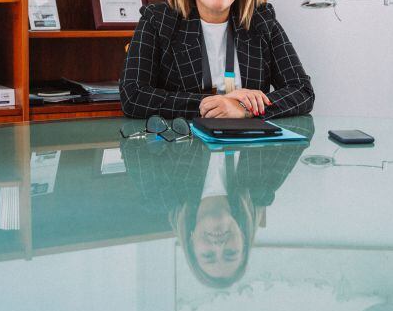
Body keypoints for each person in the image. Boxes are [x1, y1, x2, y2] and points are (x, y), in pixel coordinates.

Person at [119, 0, 314, 119]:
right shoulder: (159, 20)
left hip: (248, 144)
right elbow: (133, 96)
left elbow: (302, 91)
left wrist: (243, 109)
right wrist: (216, 105)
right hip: (184, 144)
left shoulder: (261, 20)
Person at [121, 116, 312, 288]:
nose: (219, 246)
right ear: (243, 240)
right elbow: (302, 131)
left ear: (190, 242)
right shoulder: (263, 186)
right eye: (230, 253)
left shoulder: (160, 193)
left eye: (208, 256)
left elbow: (130, 139)